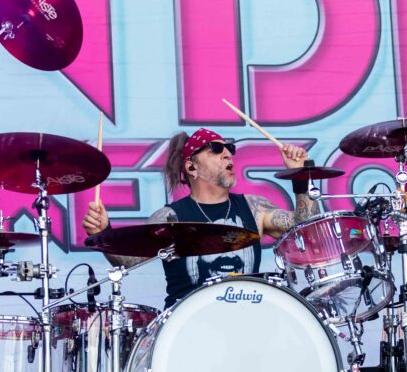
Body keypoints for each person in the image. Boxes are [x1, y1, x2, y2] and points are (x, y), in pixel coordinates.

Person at [82, 128, 320, 308]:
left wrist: (301, 175)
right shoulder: (171, 217)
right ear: (191, 168)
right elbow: (127, 261)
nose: (227, 154)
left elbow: (307, 232)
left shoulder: (253, 207)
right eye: (215, 149)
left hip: (245, 321)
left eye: (229, 149)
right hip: (186, 330)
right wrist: (103, 232)